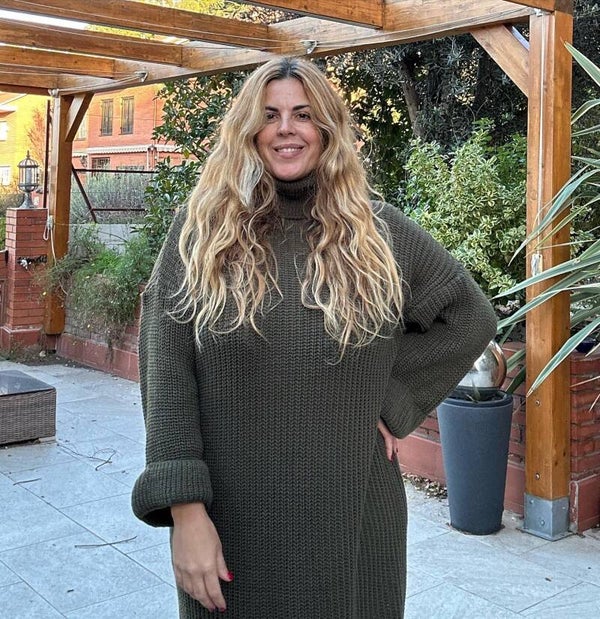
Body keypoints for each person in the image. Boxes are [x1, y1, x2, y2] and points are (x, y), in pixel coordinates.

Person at [131, 56, 497, 618]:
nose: (286, 129)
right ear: (247, 129)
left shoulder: (378, 232)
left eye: (303, 114)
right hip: (231, 524)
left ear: (326, 129)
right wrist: (185, 512)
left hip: (353, 524)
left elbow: (470, 316)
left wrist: (393, 396)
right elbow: (168, 377)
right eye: (269, 115)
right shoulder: (199, 233)